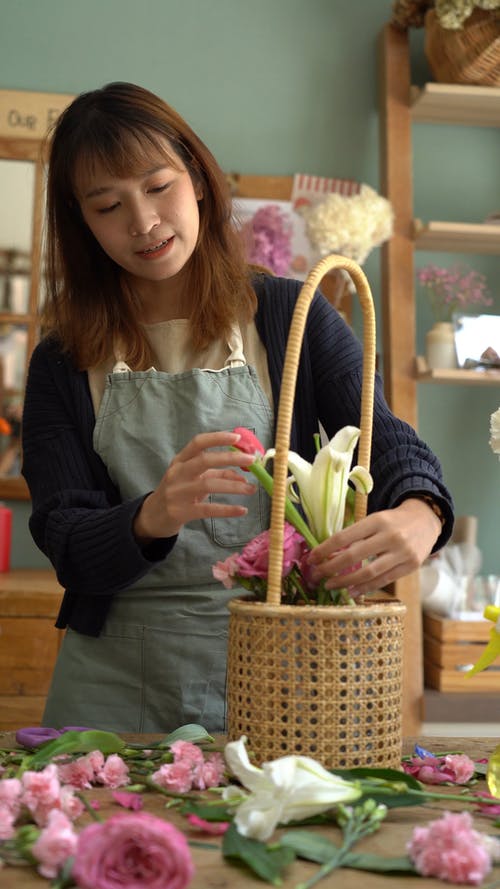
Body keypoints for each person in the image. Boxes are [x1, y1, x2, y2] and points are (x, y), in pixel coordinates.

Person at [22, 81, 454, 734]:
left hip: (278, 667)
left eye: (158, 186)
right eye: (109, 205)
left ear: (196, 176)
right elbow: (66, 542)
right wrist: (151, 515)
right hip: (113, 683)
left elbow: (384, 441)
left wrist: (422, 514)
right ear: (83, 222)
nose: (142, 221)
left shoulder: (290, 316)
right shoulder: (62, 357)